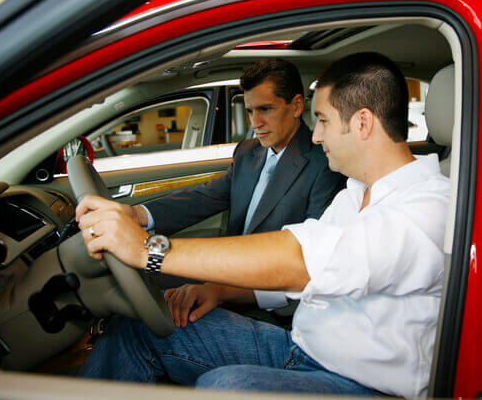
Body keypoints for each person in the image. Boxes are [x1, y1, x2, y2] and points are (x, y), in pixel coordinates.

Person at [77, 52, 451, 397]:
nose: (316, 134)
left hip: (361, 384)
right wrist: (220, 291)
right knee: (142, 326)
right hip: (299, 349)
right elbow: (304, 282)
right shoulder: (355, 192)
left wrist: (148, 250)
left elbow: (299, 262)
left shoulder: (427, 206)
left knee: (225, 387)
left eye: (322, 121)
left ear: (363, 123)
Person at [139, 58, 344, 322]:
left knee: (155, 328)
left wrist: (221, 291)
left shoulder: (323, 164)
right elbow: (205, 198)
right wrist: (140, 215)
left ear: (295, 106)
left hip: (270, 303)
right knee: (143, 275)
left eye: (265, 109)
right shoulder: (248, 152)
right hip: (226, 274)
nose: (255, 122)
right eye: (249, 111)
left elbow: (308, 264)